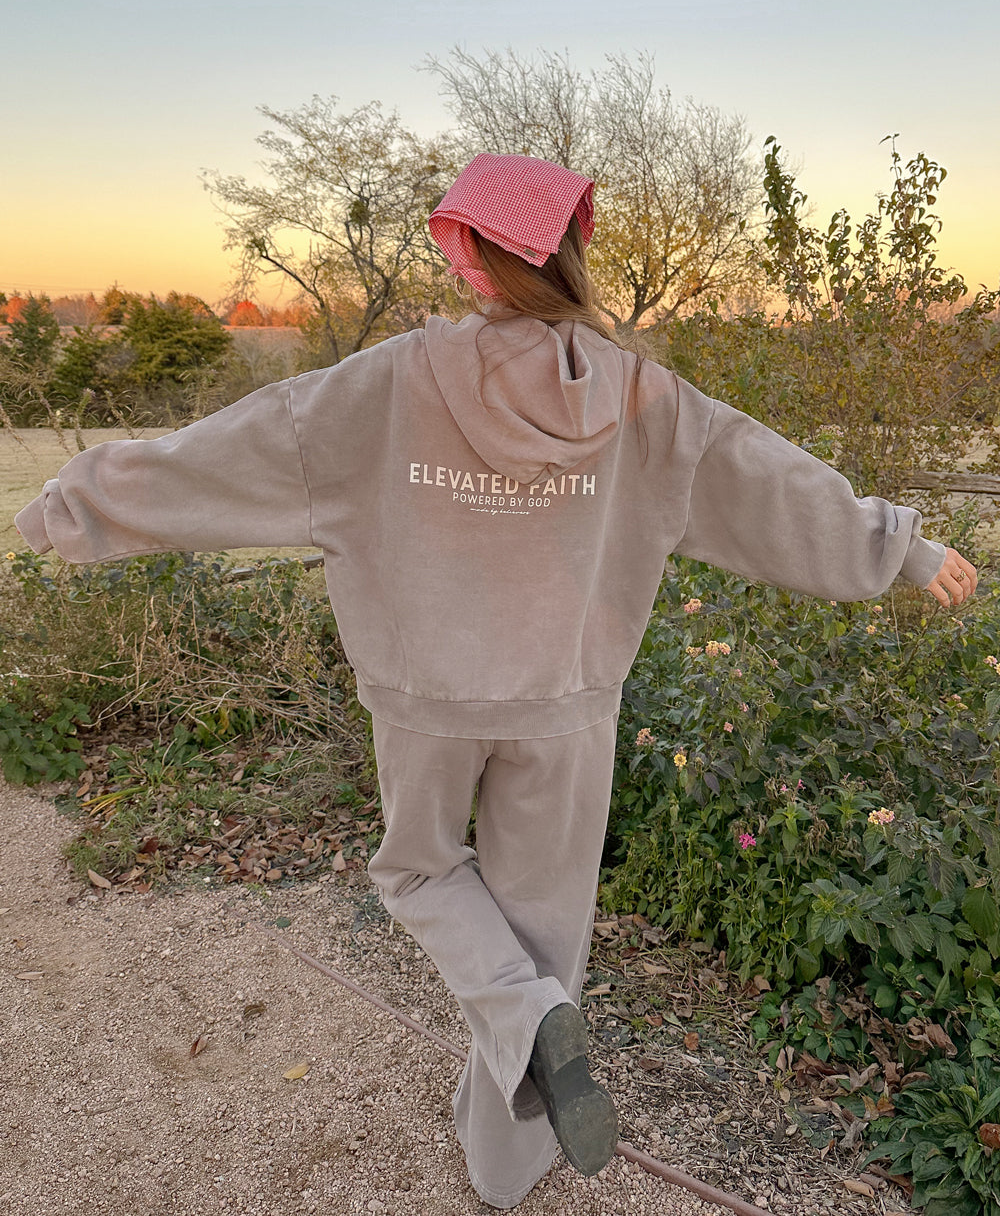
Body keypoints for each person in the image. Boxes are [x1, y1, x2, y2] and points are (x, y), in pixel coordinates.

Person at [15, 152, 977, 1210]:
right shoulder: (646, 399)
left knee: (419, 870)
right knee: (544, 920)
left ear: (466, 255)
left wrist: (76, 505)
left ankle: (525, 1020)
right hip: (567, 704)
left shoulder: (384, 382)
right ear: (573, 256)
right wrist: (902, 549)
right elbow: (764, 478)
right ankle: (507, 1162)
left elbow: (228, 453)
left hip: (425, 698)